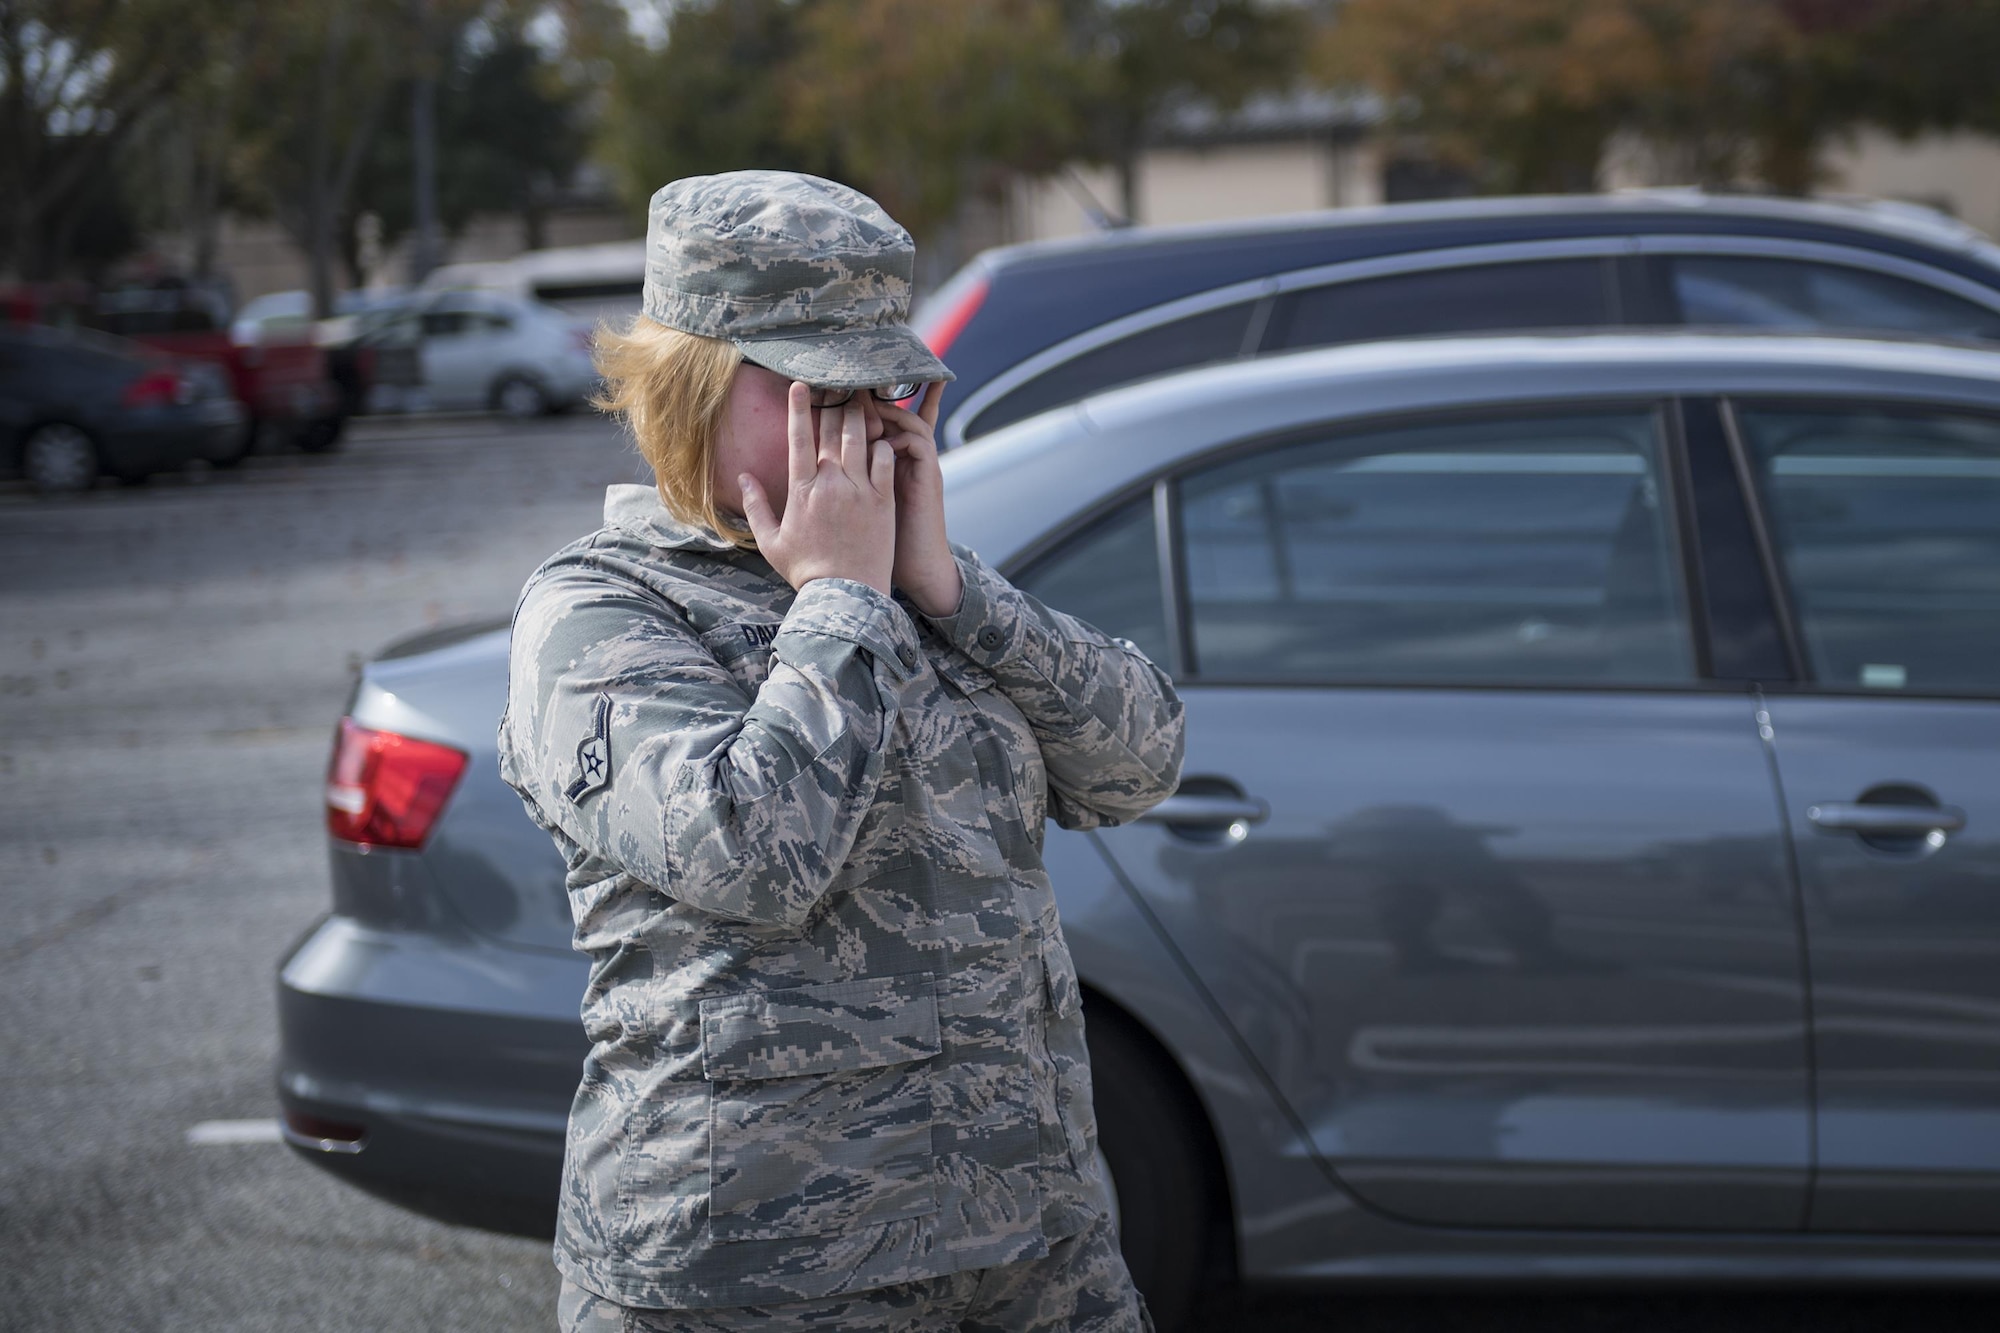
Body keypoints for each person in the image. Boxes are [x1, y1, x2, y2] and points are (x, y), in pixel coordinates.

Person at [496, 170, 1185, 1332]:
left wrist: (956, 592)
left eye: (889, 386)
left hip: (1028, 1237)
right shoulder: (598, 614)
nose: (870, 423)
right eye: (824, 387)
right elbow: (752, 854)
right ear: (691, 385)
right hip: (760, 1271)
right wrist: (839, 600)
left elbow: (1137, 765)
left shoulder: (916, 586)